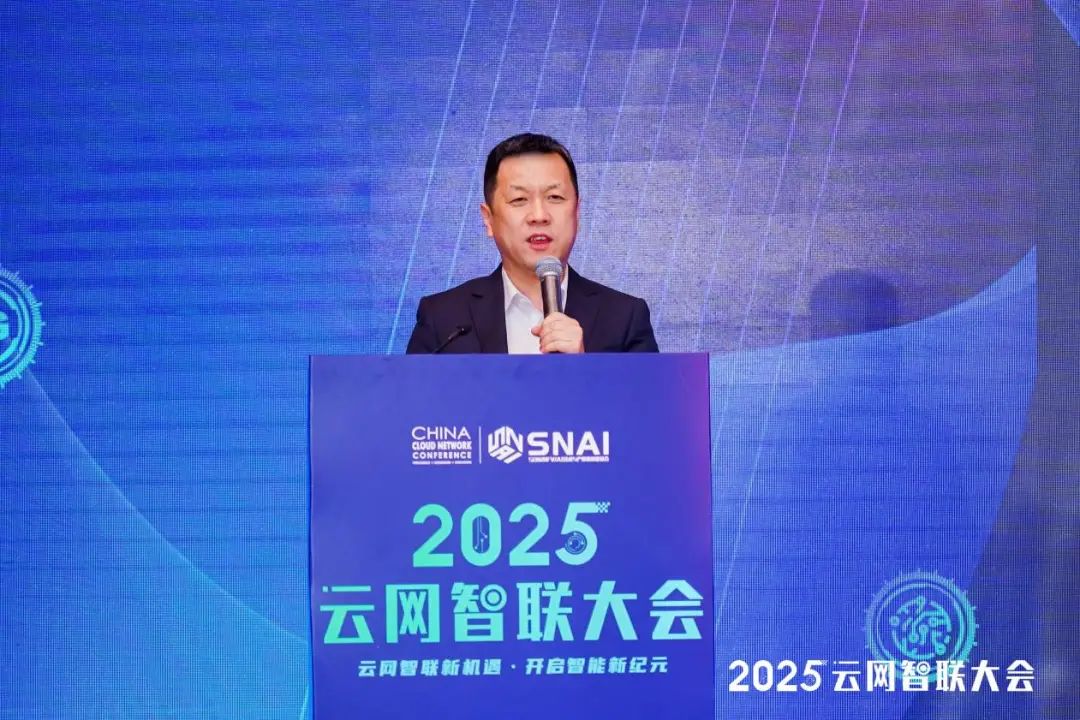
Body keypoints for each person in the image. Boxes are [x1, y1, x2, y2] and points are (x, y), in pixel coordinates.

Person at [405, 132, 659, 354]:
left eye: (554, 197)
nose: (539, 215)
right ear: (488, 219)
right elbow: (412, 395)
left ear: (577, 212)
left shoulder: (624, 318)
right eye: (519, 200)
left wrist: (585, 369)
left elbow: (648, 397)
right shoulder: (444, 319)